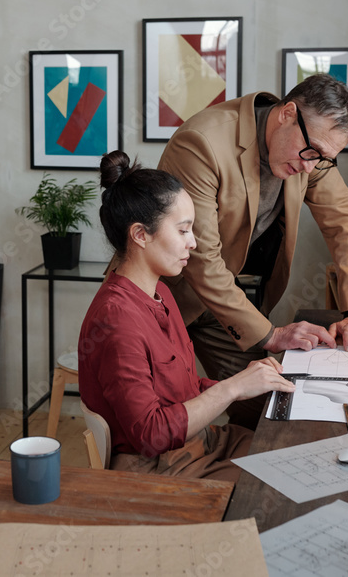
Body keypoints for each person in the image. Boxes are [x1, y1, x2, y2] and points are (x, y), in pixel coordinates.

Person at [155, 73, 348, 429]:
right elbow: (200, 258)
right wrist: (272, 335)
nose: (309, 166)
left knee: (268, 408)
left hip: (222, 303)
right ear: (287, 113)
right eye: (311, 152)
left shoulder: (310, 153)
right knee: (161, 422)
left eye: (323, 159)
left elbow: (343, 224)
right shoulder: (202, 143)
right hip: (163, 298)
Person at [78, 151, 295, 481]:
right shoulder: (116, 321)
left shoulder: (161, 292)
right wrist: (232, 389)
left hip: (200, 442)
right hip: (158, 466)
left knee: (289, 451)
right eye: (183, 231)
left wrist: (253, 384)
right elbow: (150, 436)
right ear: (140, 235)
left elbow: (183, 387)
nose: (193, 243)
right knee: (278, 481)